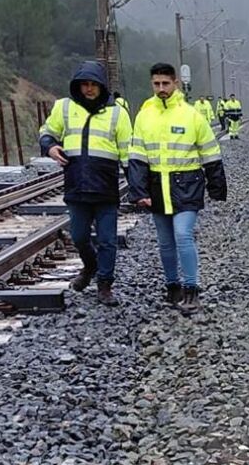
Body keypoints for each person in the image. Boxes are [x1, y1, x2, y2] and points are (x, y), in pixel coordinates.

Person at [129, 63, 226, 311]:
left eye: (165, 83)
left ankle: (192, 288)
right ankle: (172, 286)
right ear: (152, 84)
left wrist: (217, 187)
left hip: (187, 185)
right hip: (156, 186)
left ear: (175, 84)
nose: (161, 88)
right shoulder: (144, 115)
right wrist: (138, 191)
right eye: (156, 84)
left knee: (183, 234)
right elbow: (138, 155)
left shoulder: (191, 115)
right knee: (164, 241)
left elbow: (210, 152)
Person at [41, 61, 133, 305]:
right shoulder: (64, 108)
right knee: (79, 236)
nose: (89, 89)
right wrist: (49, 147)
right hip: (77, 185)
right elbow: (47, 132)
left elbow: (127, 154)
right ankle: (90, 266)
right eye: (85, 84)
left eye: (94, 85)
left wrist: (137, 187)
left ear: (102, 86)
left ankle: (105, 285)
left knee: (107, 240)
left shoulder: (117, 113)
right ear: (78, 86)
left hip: (105, 188)